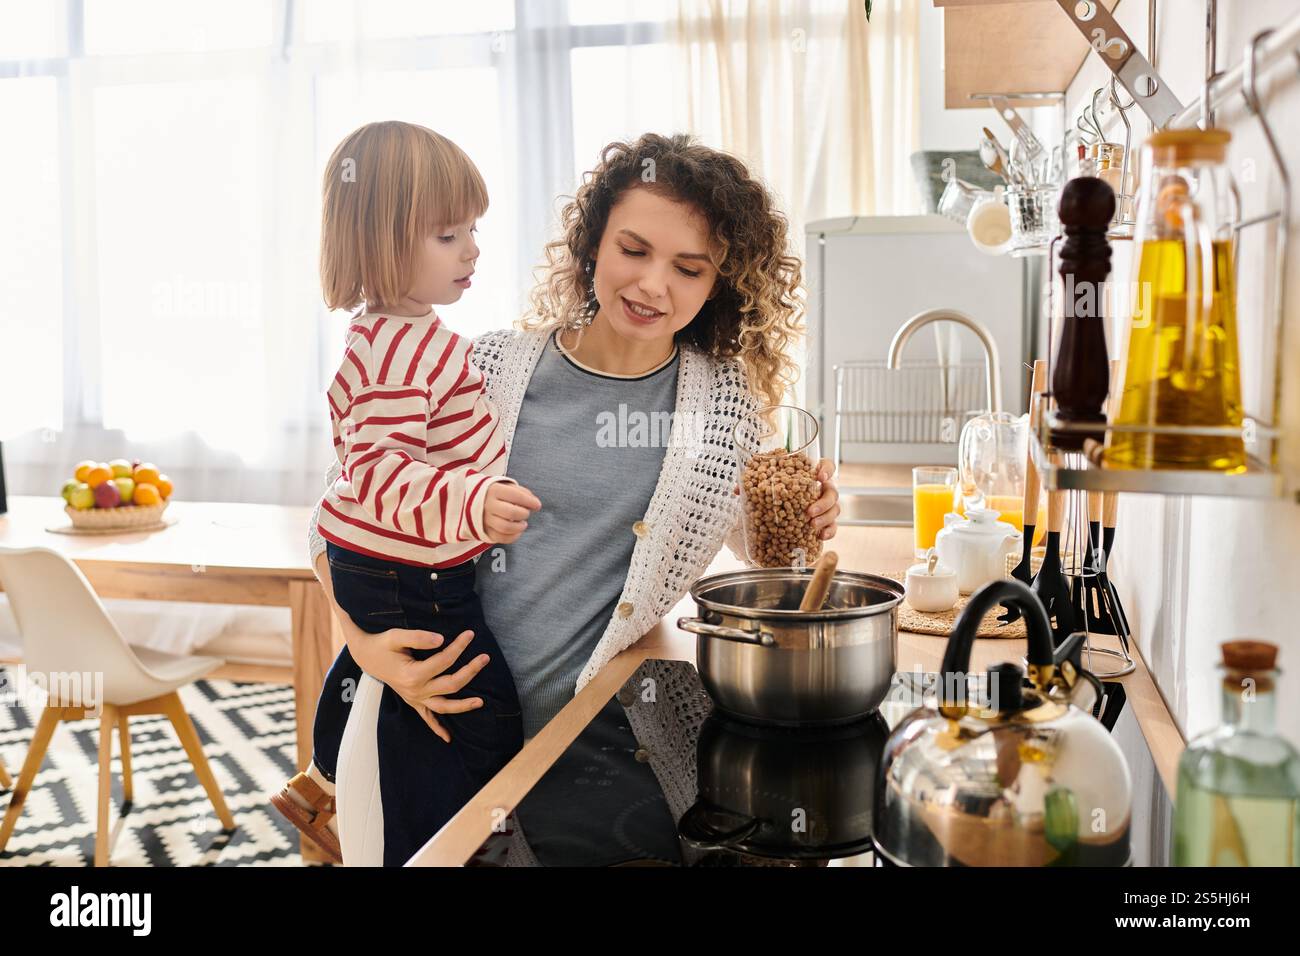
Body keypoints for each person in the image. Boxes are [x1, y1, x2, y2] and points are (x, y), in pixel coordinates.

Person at [307, 133, 842, 864]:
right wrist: (367, 649)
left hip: (590, 738)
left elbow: (760, 544)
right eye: (634, 250)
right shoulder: (488, 365)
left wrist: (805, 520)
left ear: (720, 282)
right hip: (436, 718)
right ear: (592, 244)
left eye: (689, 268)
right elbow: (339, 521)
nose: (654, 285)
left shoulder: (722, 407)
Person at [270, 121, 541, 865]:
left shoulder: (405, 333)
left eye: (474, 230)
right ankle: (424, 839)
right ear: (383, 244)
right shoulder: (394, 351)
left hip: (380, 559)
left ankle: (325, 777)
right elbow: (383, 473)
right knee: (476, 715)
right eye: (448, 234)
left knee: (373, 663)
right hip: (408, 566)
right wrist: (472, 503)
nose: (473, 249)